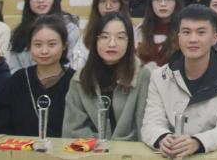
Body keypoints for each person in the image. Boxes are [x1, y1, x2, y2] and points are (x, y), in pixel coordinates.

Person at [141, 5, 217, 155]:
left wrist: (197, 143)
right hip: (172, 154)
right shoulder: (159, 77)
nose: (192, 39)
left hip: (216, 154)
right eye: (186, 32)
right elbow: (151, 123)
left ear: (215, 38)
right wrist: (163, 139)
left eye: (201, 32)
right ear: (179, 37)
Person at [63, 12, 151, 140]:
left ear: (130, 42)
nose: (112, 44)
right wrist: (101, 146)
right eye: (105, 37)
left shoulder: (142, 76)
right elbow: (72, 130)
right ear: (95, 41)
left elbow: (145, 128)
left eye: (120, 37)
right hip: (90, 149)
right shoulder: (80, 78)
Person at [0, 16, 75, 137]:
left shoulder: (75, 81)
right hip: (21, 147)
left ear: (64, 45)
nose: (44, 51)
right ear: (29, 46)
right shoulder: (18, 79)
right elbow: (2, 123)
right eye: (38, 44)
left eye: (52, 44)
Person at [5, 0, 83, 73]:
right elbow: (13, 66)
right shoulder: (19, 32)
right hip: (25, 80)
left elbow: (72, 61)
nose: (40, 0)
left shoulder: (69, 28)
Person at [136, 0, 182, 68]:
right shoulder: (140, 30)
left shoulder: (184, 31)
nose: (163, 4)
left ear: (177, 2)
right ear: (150, 3)